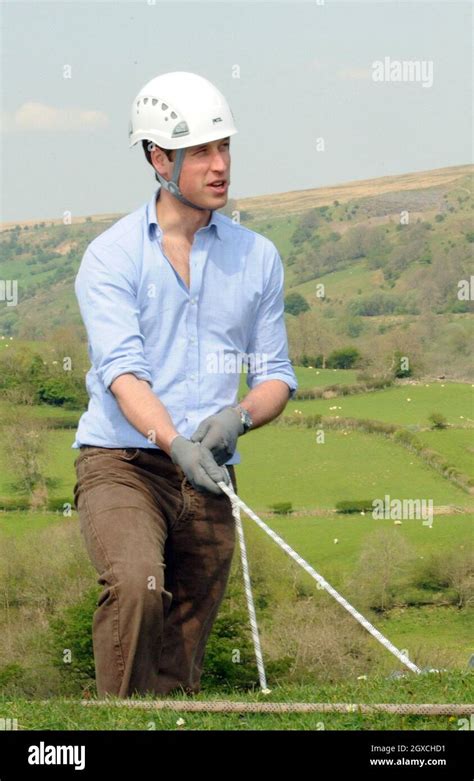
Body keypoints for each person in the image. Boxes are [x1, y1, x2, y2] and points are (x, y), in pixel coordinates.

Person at [72, 71, 298, 698]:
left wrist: (240, 419)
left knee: (185, 638)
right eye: (201, 151)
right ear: (157, 158)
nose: (220, 164)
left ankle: (166, 716)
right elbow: (122, 373)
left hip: (213, 472)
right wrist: (173, 441)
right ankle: (110, 720)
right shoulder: (111, 256)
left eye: (224, 147)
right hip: (122, 462)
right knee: (139, 584)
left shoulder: (258, 258)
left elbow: (275, 375)